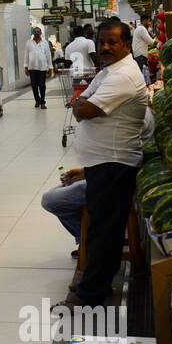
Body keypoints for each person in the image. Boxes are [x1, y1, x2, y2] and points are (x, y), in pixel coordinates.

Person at [60, 18, 150, 309]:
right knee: (103, 227)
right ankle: (97, 281)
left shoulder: (123, 76)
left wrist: (80, 105)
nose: (107, 47)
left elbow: (83, 108)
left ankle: (90, 293)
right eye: (103, 42)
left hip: (115, 163)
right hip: (103, 163)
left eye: (113, 42)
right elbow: (81, 98)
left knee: (104, 231)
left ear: (127, 44)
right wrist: (80, 103)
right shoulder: (109, 71)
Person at [42, 107, 153, 258]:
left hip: (115, 183)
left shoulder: (128, 114)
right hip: (116, 176)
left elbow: (115, 164)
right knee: (60, 189)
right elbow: (114, 158)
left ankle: (90, 241)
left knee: (50, 200)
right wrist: (85, 173)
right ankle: (93, 237)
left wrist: (89, 173)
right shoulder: (134, 108)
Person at [24, 26, 53, 109]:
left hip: (42, 67)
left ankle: (42, 102)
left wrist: (50, 67)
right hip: (32, 67)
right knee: (34, 85)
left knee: (42, 85)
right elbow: (26, 55)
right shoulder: (28, 43)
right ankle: (37, 100)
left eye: (38, 31)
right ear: (33, 33)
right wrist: (25, 67)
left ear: (40, 33)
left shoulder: (45, 43)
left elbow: (48, 55)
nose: (36, 33)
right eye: (35, 31)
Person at [132, 15, 155, 82]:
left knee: (142, 74)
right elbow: (150, 42)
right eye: (149, 21)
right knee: (143, 75)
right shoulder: (142, 29)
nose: (150, 23)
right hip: (141, 56)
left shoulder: (139, 28)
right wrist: (156, 39)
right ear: (144, 20)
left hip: (138, 55)